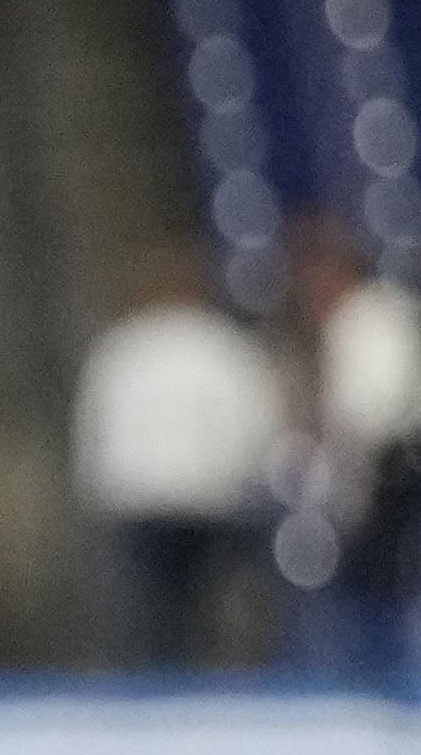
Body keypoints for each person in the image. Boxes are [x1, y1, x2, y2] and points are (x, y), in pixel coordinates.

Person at [73, 243, 289, 668]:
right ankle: (200, 680)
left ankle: (157, 682)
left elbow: (96, 425)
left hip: (145, 503)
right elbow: (259, 426)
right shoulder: (225, 348)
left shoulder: (124, 346)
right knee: (197, 611)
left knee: (151, 613)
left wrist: (95, 489)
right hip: (206, 501)